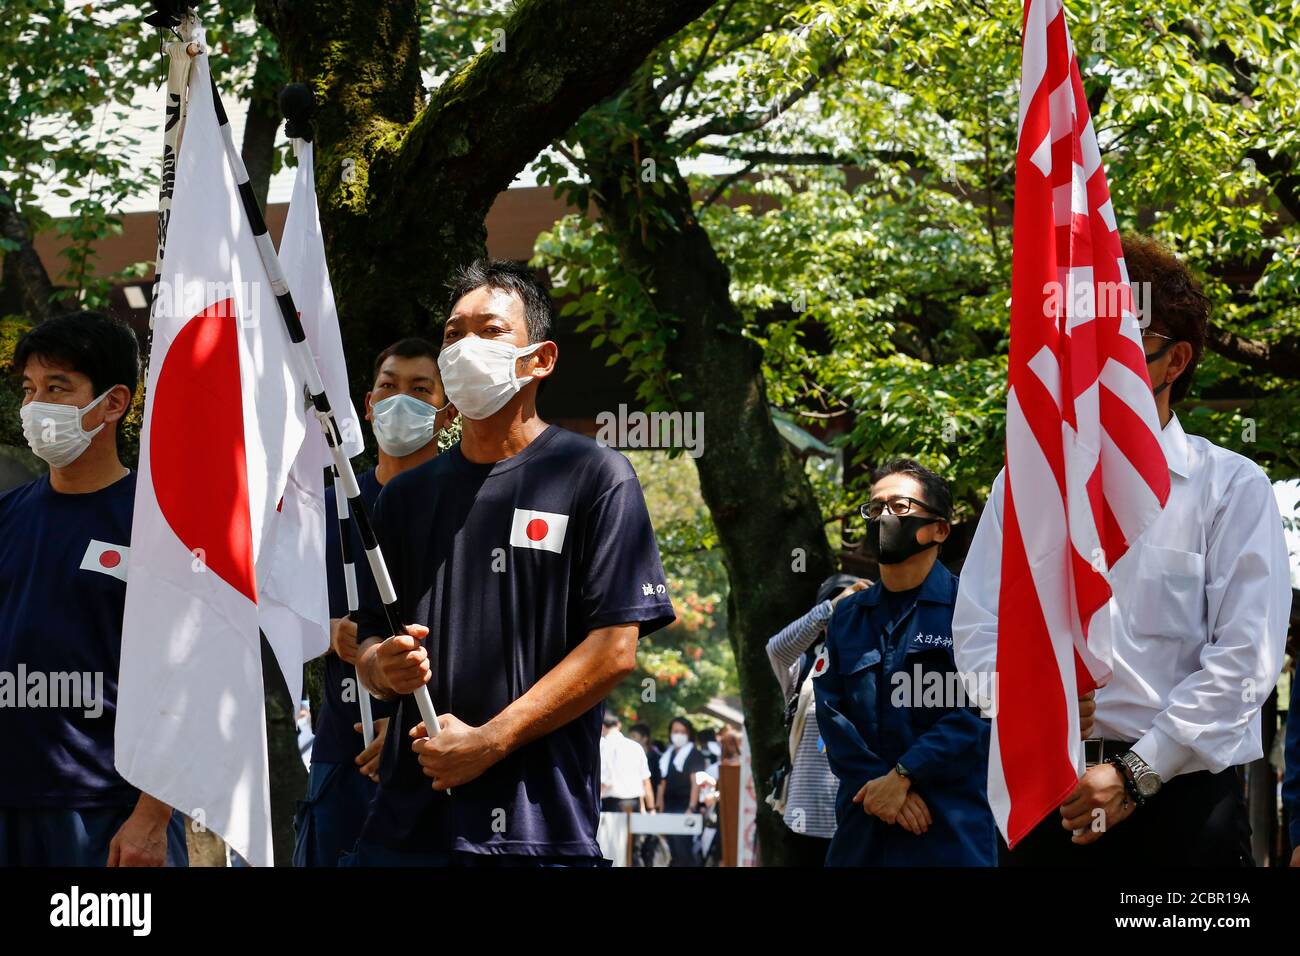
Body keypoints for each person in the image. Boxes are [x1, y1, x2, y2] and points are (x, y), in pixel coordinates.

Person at [953, 235, 1291, 866]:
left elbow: (1246, 662)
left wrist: (1137, 773)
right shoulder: (1025, 486)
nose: (1094, 362)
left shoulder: (1231, 488)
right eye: (1085, 337)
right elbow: (976, 630)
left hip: (1183, 804)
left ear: (1175, 360)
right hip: (1049, 795)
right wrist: (1033, 699)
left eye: (1123, 341)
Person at [348, 259, 676, 866]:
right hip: (403, 831)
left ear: (540, 359)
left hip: (537, 829)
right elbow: (369, 644)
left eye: (490, 330)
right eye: (453, 333)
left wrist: (489, 742)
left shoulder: (595, 476)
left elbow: (615, 649)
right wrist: (381, 668)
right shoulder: (404, 498)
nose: (465, 346)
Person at [0, 311, 187, 866]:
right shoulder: (8, 516)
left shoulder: (161, 525)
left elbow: (191, 679)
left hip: (111, 817)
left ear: (113, 403)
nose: (36, 407)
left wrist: (152, 818)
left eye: (58, 388)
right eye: (30, 389)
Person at [293, 337, 450, 866]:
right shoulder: (331, 507)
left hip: (433, 758)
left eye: (419, 390)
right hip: (341, 756)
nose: (399, 400)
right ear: (367, 403)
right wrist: (323, 629)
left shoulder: (465, 508)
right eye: (388, 386)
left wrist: (410, 736)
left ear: (446, 413)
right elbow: (274, 612)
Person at [814, 459, 997, 866]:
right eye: (874, 508)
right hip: (864, 824)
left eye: (898, 508)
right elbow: (830, 712)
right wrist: (880, 787)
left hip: (947, 826)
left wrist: (905, 775)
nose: (882, 517)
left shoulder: (972, 610)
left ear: (939, 529)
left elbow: (979, 712)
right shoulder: (848, 615)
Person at [765, 572, 868, 865]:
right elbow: (776, 650)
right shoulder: (805, 669)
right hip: (803, 822)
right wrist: (831, 607)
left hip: (858, 821)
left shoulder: (881, 664)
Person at [657, 716, 708, 866]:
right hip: (668, 806)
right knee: (671, 849)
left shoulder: (694, 754)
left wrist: (691, 807)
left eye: (682, 731)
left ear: (689, 733)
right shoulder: (668, 755)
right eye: (675, 731)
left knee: (683, 849)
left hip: (685, 806)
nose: (678, 734)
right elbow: (662, 783)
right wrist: (659, 808)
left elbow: (695, 783)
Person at [600, 714, 653, 812]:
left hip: (612, 803)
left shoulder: (604, 746)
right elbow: (645, 781)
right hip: (635, 801)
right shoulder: (636, 746)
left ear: (602, 727)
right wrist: (651, 808)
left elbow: (605, 779)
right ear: (618, 725)